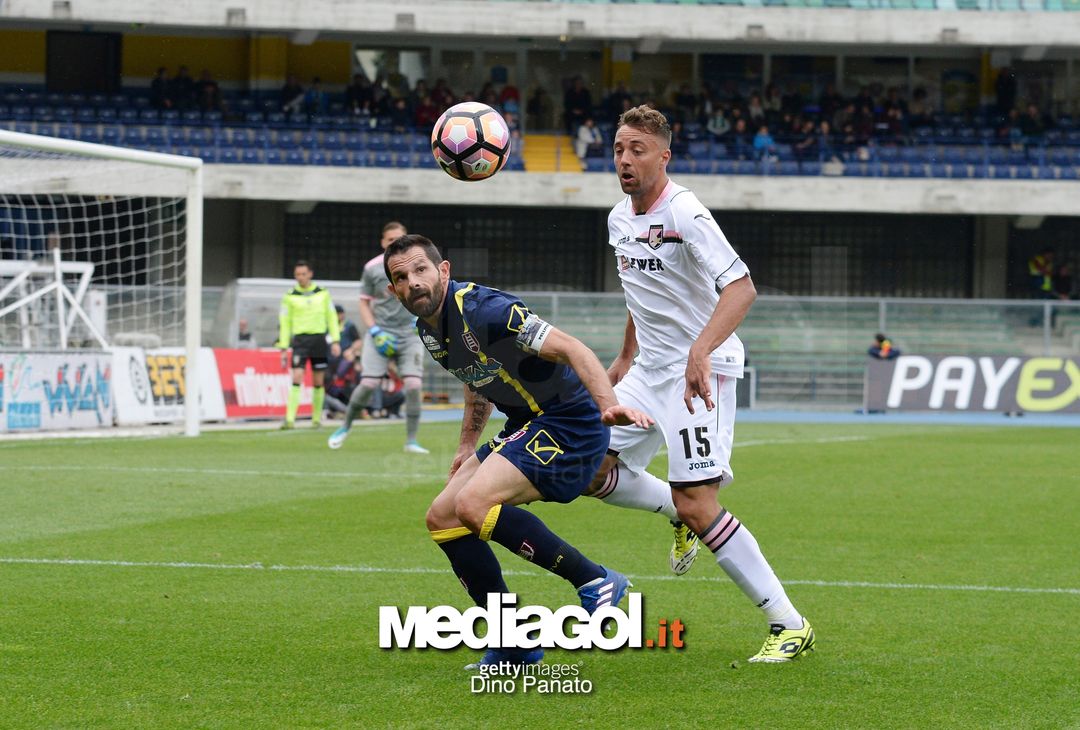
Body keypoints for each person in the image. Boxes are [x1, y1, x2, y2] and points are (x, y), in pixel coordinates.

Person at [593, 105, 814, 663]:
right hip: (648, 372)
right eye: (618, 149)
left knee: (700, 502)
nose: (624, 159)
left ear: (663, 157)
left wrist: (701, 349)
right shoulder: (619, 218)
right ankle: (675, 513)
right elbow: (641, 294)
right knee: (587, 467)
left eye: (637, 150)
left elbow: (741, 287)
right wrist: (624, 356)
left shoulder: (686, 213)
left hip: (700, 375)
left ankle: (789, 624)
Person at [384, 233, 653, 668]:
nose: (413, 282)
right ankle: (513, 642)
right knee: (443, 517)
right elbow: (476, 378)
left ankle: (595, 581)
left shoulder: (487, 311)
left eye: (420, 269)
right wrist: (467, 444)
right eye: (401, 277)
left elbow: (573, 349)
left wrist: (609, 406)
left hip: (569, 421)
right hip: (527, 424)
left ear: (443, 271)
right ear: (392, 290)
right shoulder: (428, 329)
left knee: (473, 504)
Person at [329, 222, 428, 454]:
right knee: (368, 384)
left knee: (414, 385)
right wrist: (374, 331)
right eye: (390, 239)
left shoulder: (419, 265)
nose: (395, 243)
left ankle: (411, 441)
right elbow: (364, 302)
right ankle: (345, 426)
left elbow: (430, 293)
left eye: (399, 238)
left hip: (409, 334)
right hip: (380, 333)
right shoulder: (372, 268)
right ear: (383, 242)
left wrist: (421, 319)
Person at [276, 261, 341, 429]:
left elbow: (331, 317)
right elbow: (285, 322)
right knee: (297, 376)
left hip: (319, 340)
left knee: (318, 380)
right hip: (300, 341)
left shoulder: (322, 293)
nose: (301, 277)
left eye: (303, 274)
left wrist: (335, 340)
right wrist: (283, 346)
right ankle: (290, 419)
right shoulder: (290, 296)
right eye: (297, 274)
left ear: (310, 274)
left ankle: (316, 419)